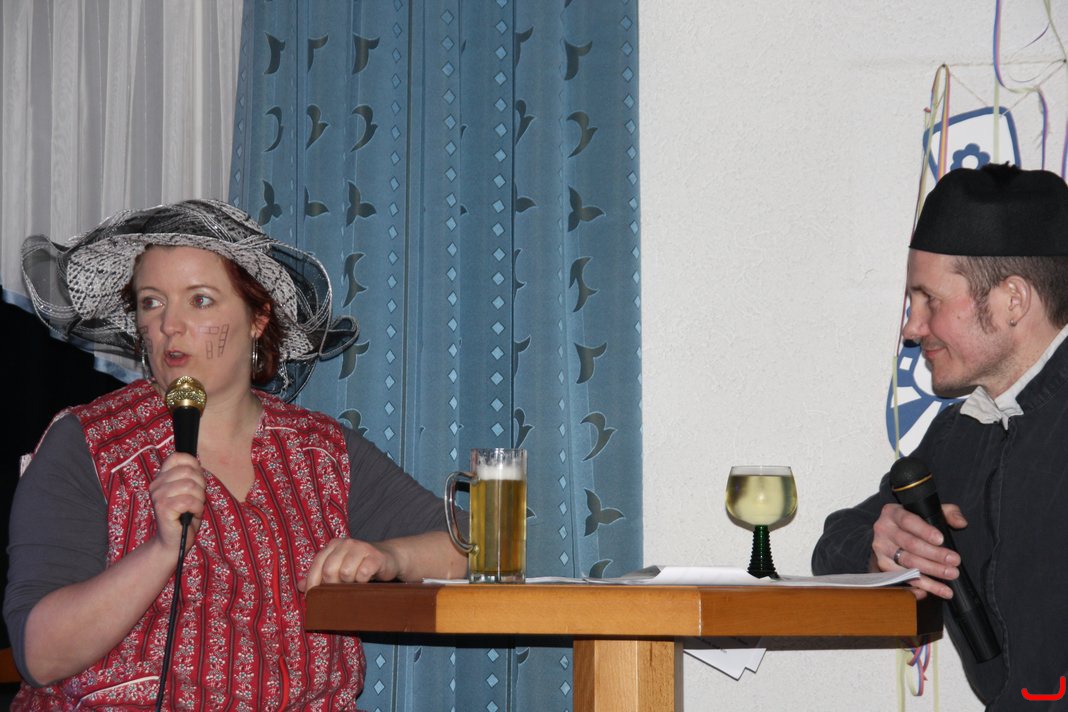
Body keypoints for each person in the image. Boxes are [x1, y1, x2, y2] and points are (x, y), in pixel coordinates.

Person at [7, 199, 467, 709]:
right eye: (152, 302)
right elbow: (39, 655)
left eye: (200, 300)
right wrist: (159, 552)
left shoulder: (320, 450)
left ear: (257, 318)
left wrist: (390, 557)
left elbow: (468, 549)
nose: (170, 324)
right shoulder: (90, 443)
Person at [812, 164, 1068, 710]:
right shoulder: (961, 434)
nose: (911, 327)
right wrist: (882, 546)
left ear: (1013, 301)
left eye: (929, 300)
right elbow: (833, 547)